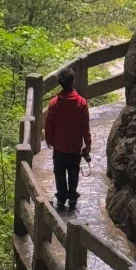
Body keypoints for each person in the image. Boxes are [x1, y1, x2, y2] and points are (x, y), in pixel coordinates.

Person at [44, 67, 91, 210]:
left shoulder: (54, 104)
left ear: (60, 83)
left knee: (59, 173)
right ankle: (72, 197)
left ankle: (61, 198)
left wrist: (49, 140)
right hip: (75, 147)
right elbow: (85, 127)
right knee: (73, 172)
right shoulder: (82, 103)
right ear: (73, 81)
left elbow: (49, 125)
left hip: (59, 146)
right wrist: (87, 145)